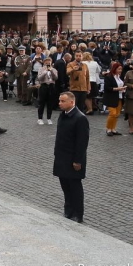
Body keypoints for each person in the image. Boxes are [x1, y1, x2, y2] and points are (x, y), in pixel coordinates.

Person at [54, 92, 90, 223]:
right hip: (62, 157)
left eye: (63, 101)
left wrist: (78, 161)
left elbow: (82, 142)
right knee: (65, 186)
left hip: (73, 159)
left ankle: (78, 214)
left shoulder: (80, 118)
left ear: (71, 102)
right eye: (59, 101)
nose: (60, 103)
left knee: (75, 187)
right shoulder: (63, 115)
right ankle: (68, 210)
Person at [102, 62, 126, 136]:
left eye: (121, 69)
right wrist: (118, 89)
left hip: (119, 97)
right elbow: (107, 88)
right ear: (114, 69)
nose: (120, 71)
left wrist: (123, 89)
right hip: (111, 97)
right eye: (119, 69)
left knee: (117, 114)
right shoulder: (109, 77)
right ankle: (108, 128)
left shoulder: (119, 77)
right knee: (112, 113)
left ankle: (113, 128)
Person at [36, 57, 58, 125]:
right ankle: (40, 118)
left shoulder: (54, 69)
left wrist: (51, 71)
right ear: (44, 63)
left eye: (49, 63)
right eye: (46, 63)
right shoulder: (41, 69)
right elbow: (39, 78)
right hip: (43, 86)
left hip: (51, 86)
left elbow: (56, 78)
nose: (48, 64)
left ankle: (49, 118)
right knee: (41, 103)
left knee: (50, 103)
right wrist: (45, 72)